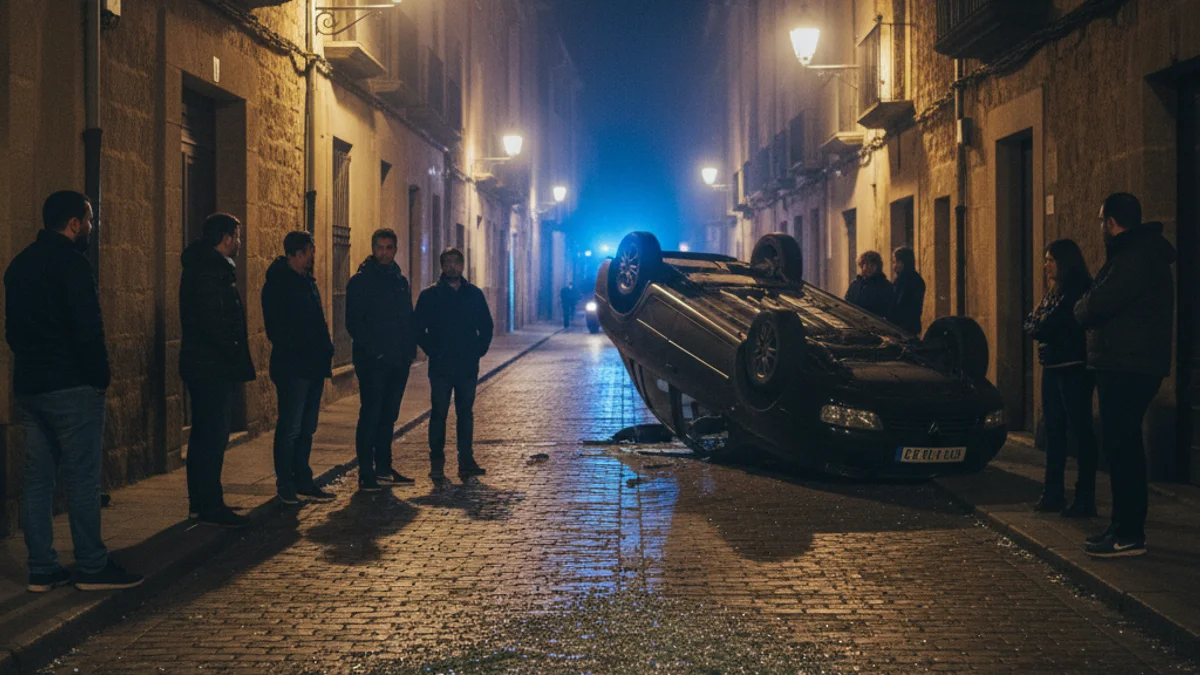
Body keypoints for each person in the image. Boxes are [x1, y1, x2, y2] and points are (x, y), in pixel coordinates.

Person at [4, 191, 143, 592]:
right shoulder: (74, 265)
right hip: (72, 386)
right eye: (90, 220)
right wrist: (99, 377)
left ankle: (42, 568)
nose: (91, 227)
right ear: (74, 223)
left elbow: (13, 331)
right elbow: (88, 329)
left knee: (38, 478)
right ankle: (92, 565)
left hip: (32, 386)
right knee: (82, 479)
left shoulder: (19, 265)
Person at [1075, 193, 1176, 558]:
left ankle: (1129, 534)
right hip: (1127, 363)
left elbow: (1095, 303)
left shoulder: (1135, 258)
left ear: (1112, 223)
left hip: (1127, 365)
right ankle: (1121, 527)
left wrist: (1082, 307)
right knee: (1121, 446)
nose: (1100, 227)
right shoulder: (1135, 255)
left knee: (1123, 448)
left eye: (1101, 220)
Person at [180, 213, 255, 528]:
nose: (239, 242)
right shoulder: (211, 272)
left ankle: (202, 502)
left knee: (205, 435)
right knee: (212, 436)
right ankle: (209, 504)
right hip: (211, 367)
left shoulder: (206, 267)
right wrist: (232, 351)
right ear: (226, 238)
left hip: (205, 364)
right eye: (237, 236)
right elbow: (215, 322)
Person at [1024, 239, 1097, 518]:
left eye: (1050, 260)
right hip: (1053, 366)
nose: (1046, 266)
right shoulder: (1053, 291)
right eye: (1045, 260)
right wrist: (1038, 323)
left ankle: (1084, 497)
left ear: (1064, 262)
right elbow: (1032, 322)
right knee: (1053, 430)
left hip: (1073, 368)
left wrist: (1039, 323)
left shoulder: (1076, 288)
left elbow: (1046, 325)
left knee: (1080, 430)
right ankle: (1053, 492)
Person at [262, 231, 335, 505]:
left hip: (313, 365)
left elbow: (317, 319)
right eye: (307, 253)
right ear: (295, 254)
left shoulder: (308, 282)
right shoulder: (278, 285)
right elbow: (277, 329)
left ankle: (303, 478)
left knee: (307, 428)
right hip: (293, 367)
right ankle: (286, 483)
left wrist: (325, 348)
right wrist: (304, 347)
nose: (311, 257)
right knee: (291, 427)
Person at [346, 228, 418, 492]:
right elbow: (354, 323)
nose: (384, 253)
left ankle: (384, 467)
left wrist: (408, 352)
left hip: (398, 361)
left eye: (389, 248)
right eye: (379, 247)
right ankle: (366, 473)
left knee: (389, 415)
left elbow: (406, 318)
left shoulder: (400, 281)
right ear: (373, 249)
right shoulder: (361, 281)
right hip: (373, 362)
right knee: (371, 414)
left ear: (395, 250)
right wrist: (376, 352)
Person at [414, 248, 494, 480]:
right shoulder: (430, 295)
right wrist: (433, 351)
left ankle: (466, 460)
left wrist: (478, 350)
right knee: (439, 412)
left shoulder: (474, 294)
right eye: (447, 262)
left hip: (467, 365)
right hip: (441, 366)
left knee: (465, 413)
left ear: (462, 265)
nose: (451, 266)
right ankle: (437, 462)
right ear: (442, 266)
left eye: (456, 262)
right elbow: (418, 328)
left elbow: (486, 325)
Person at [888, 247, 926, 335]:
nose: (895, 266)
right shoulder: (898, 280)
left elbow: (904, 305)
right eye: (894, 262)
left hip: (906, 327)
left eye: (898, 262)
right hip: (897, 326)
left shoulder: (914, 280)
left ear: (906, 262)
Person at [845, 251, 894, 318]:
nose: (869, 268)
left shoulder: (886, 286)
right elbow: (847, 303)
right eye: (867, 264)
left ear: (878, 267)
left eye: (872, 265)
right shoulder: (855, 285)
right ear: (862, 266)